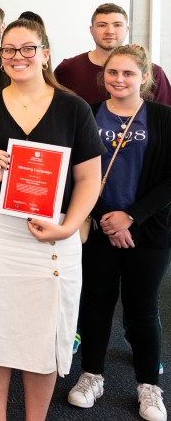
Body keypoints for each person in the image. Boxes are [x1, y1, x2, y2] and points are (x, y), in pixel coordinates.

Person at [0, 18, 103, 421]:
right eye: (9, 50)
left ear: (45, 54)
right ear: (1, 59)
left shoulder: (72, 107)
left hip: (53, 233)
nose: (17, 57)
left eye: (27, 49)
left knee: (44, 336)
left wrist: (69, 226)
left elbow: (89, 177)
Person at [67, 44, 171, 421]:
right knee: (95, 303)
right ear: (103, 76)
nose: (119, 79)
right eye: (113, 73)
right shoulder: (87, 114)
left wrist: (132, 216)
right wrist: (105, 216)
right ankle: (91, 375)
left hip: (149, 230)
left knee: (142, 308)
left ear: (145, 77)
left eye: (128, 73)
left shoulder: (163, 118)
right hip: (97, 227)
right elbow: (73, 172)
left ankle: (148, 386)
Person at [55, 3, 171, 105]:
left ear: (127, 29)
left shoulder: (152, 72)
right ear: (91, 30)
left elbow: (165, 120)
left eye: (117, 25)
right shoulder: (68, 69)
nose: (110, 31)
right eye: (102, 25)